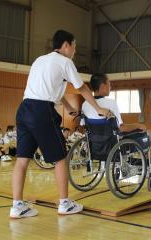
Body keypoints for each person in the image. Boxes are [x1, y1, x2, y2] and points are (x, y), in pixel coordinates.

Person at [10, 30, 110, 219]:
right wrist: (98, 108)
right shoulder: (65, 62)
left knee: (22, 159)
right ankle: (65, 203)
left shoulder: (40, 60)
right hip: (42, 111)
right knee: (60, 158)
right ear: (66, 45)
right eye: (74, 46)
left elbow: (53, 88)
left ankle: (17, 206)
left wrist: (68, 106)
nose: (74, 50)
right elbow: (82, 87)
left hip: (24, 109)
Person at [81, 73, 151, 175]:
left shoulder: (85, 104)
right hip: (113, 146)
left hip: (95, 148)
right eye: (109, 84)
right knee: (146, 134)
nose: (110, 87)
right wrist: (138, 125)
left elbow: (84, 126)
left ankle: (141, 165)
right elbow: (122, 128)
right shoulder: (111, 103)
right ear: (102, 86)